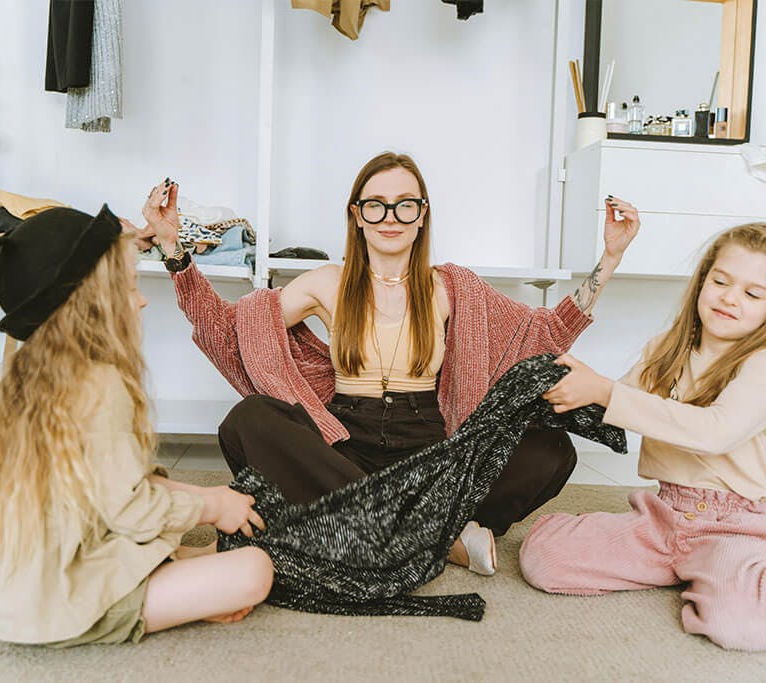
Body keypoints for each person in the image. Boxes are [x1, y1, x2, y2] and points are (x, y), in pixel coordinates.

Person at [141, 153, 639, 575]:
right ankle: (437, 540)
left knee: (550, 450)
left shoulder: (452, 287)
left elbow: (544, 335)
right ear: (357, 214)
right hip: (343, 444)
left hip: (432, 450)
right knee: (248, 421)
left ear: (422, 215)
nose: (390, 215)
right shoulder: (325, 283)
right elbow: (228, 333)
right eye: (376, 204)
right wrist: (172, 248)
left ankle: (363, 528)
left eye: (405, 204)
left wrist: (609, 259)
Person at [0, 206, 273, 647]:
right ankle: (176, 588)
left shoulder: (23, 371)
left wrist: (212, 498)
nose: (142, 300)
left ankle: (181, 564)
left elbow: (110, 489)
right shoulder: (101, 384)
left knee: (193, 532)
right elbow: (129, 509)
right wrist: (208, 509)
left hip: (17, 585)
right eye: (130, 287)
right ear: (91, 305)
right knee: (254, 570)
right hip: (56, 604)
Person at [521, 222, 766, 651]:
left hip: (737, 527)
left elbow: (716, 432)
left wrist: (605, 391)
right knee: (544, 559)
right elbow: (616, 410)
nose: (730, 298)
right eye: (721, 281)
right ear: (703, 280)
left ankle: (724, 573)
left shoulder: (760, 364)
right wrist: (562, 386)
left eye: (753, 294)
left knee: (739, 627)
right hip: (667, 515)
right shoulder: (666, 349)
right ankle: (686, 566)